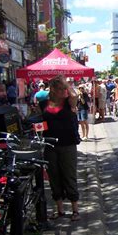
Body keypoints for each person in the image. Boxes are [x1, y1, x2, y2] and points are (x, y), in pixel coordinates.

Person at [42, 75, 80, 221]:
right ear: (52, 89)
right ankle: (60, 210)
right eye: (59, 88)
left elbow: (74, 95)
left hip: (68, 144)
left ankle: (75, 210)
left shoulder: (68, 102)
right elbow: (41, 121)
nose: (62, 91)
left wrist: (66, 84)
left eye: (63, 88)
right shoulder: (44, 103)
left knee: (69, 175)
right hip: (50, 145)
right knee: (54, 177)